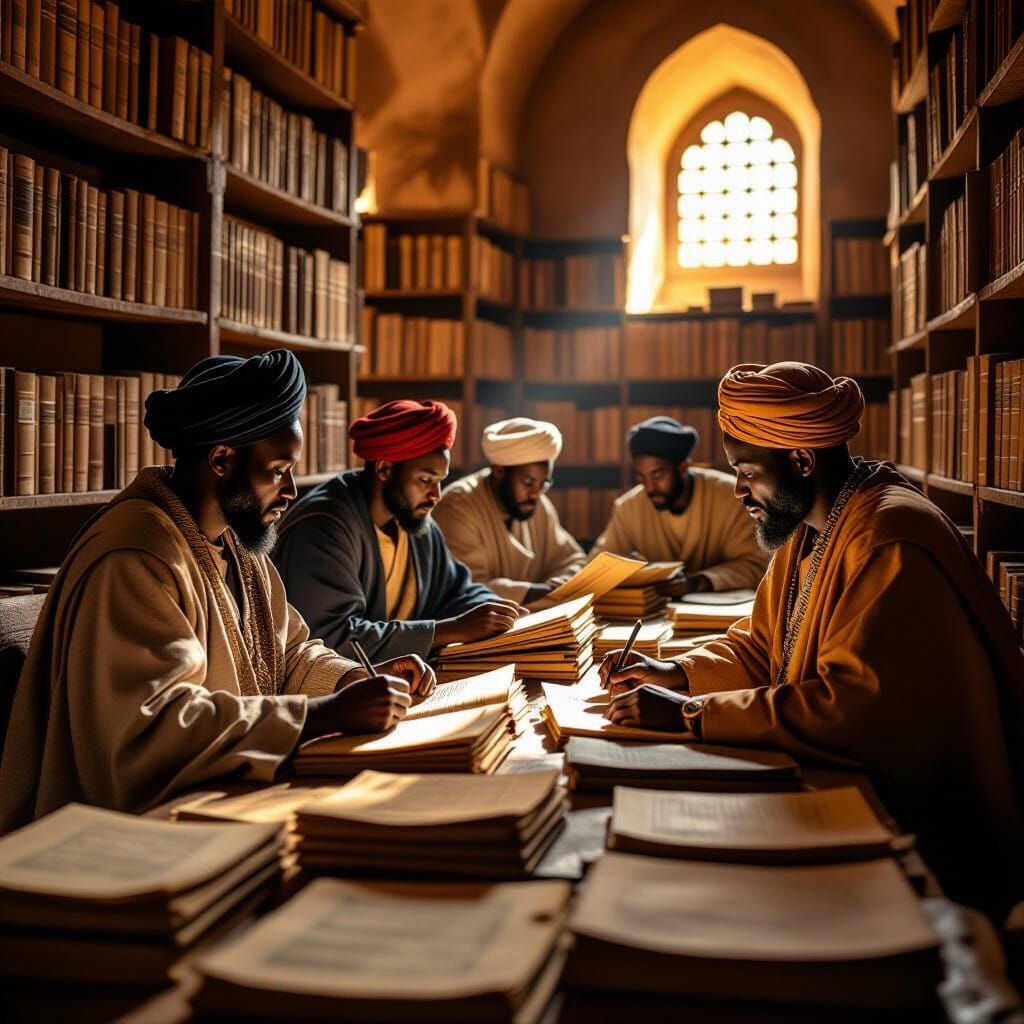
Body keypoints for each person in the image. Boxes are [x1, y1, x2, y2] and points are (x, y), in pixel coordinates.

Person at [600, 361, 1024, 917]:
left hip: (918, 835)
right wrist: (675, 672)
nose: (737, 490)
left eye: (746, 471)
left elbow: (851, 709)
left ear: (801, 459)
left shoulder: (887, 540)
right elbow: (760, 643)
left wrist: (691, 714)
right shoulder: (814, 526)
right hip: (843, 791)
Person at [0, 351, 430, 831]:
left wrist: (350, 681)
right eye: (279, 471)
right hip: (125, 834)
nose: (291, 491)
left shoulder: (236, 540)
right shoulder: (135, 555)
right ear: (222, 459)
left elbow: (290, 654)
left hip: (225, 802)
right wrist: (323, 715)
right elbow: (154, 729)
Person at [273, 399, 521, 662]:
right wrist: (447, 630)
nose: (436, 495)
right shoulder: (322, 528)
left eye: (440, 481)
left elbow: (456, 590)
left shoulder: (415, 522)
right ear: (384, 468)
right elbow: (330, 639)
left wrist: (498, 613)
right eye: (426, 480)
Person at [589, 415, 767, 596]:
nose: (649, 488)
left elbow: (756, 564)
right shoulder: (628, 507)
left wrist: (698, 581)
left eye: (657, 475)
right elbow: (596, 567)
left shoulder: (732, 496)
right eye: (641, 477)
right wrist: (623, 568)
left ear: (683, 467)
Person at [432, 417, 586, 607]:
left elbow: (572, 558)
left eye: (544, 484)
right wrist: (542, 592)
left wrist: (561, 583)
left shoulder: (537, 503)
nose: (536, 494)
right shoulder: (457, 506)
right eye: (528, 483)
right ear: (498, 471)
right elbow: (466, 588)